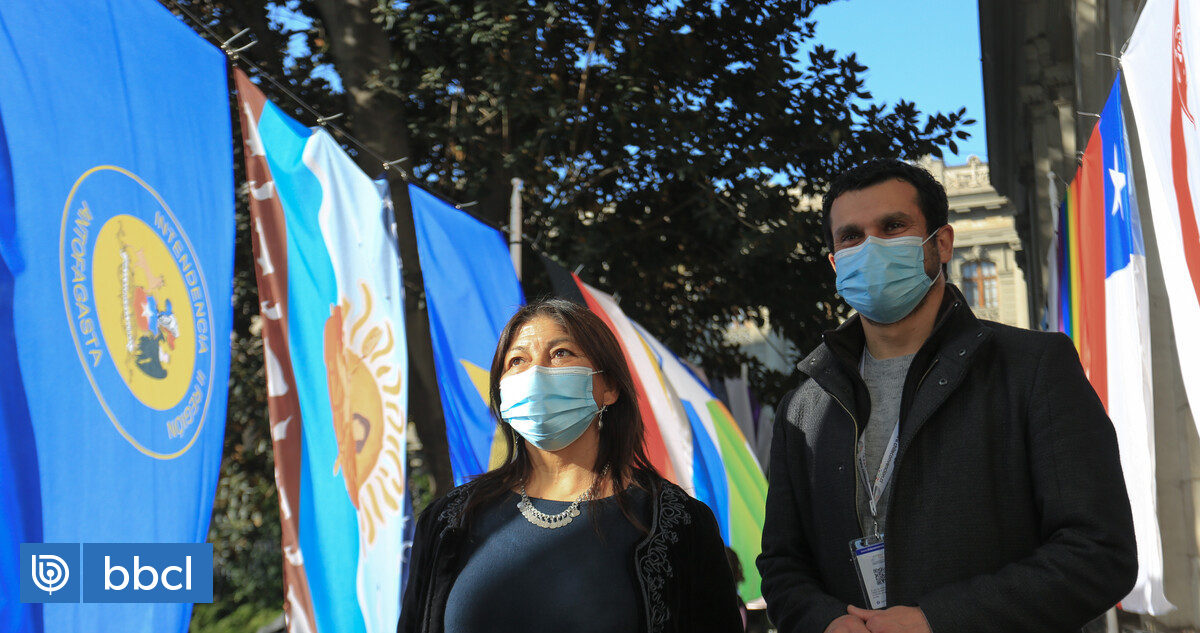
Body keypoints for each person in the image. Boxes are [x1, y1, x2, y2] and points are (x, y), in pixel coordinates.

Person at [757, 159, 1137, 633]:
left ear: (941, 243)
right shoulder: (804, 408)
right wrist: (826, 623)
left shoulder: (1032, 369)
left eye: (893, 227)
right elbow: (782, 565)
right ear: (836, 264)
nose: (870, 247)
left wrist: (939, 621)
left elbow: (1099, 552)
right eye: (851, 236)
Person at [398, 298, 742, 633]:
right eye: (517, 360)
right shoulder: (448, 522)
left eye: (561, 353)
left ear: (609, 387)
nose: (535, 373)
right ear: (501, 393)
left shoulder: (679, 524)